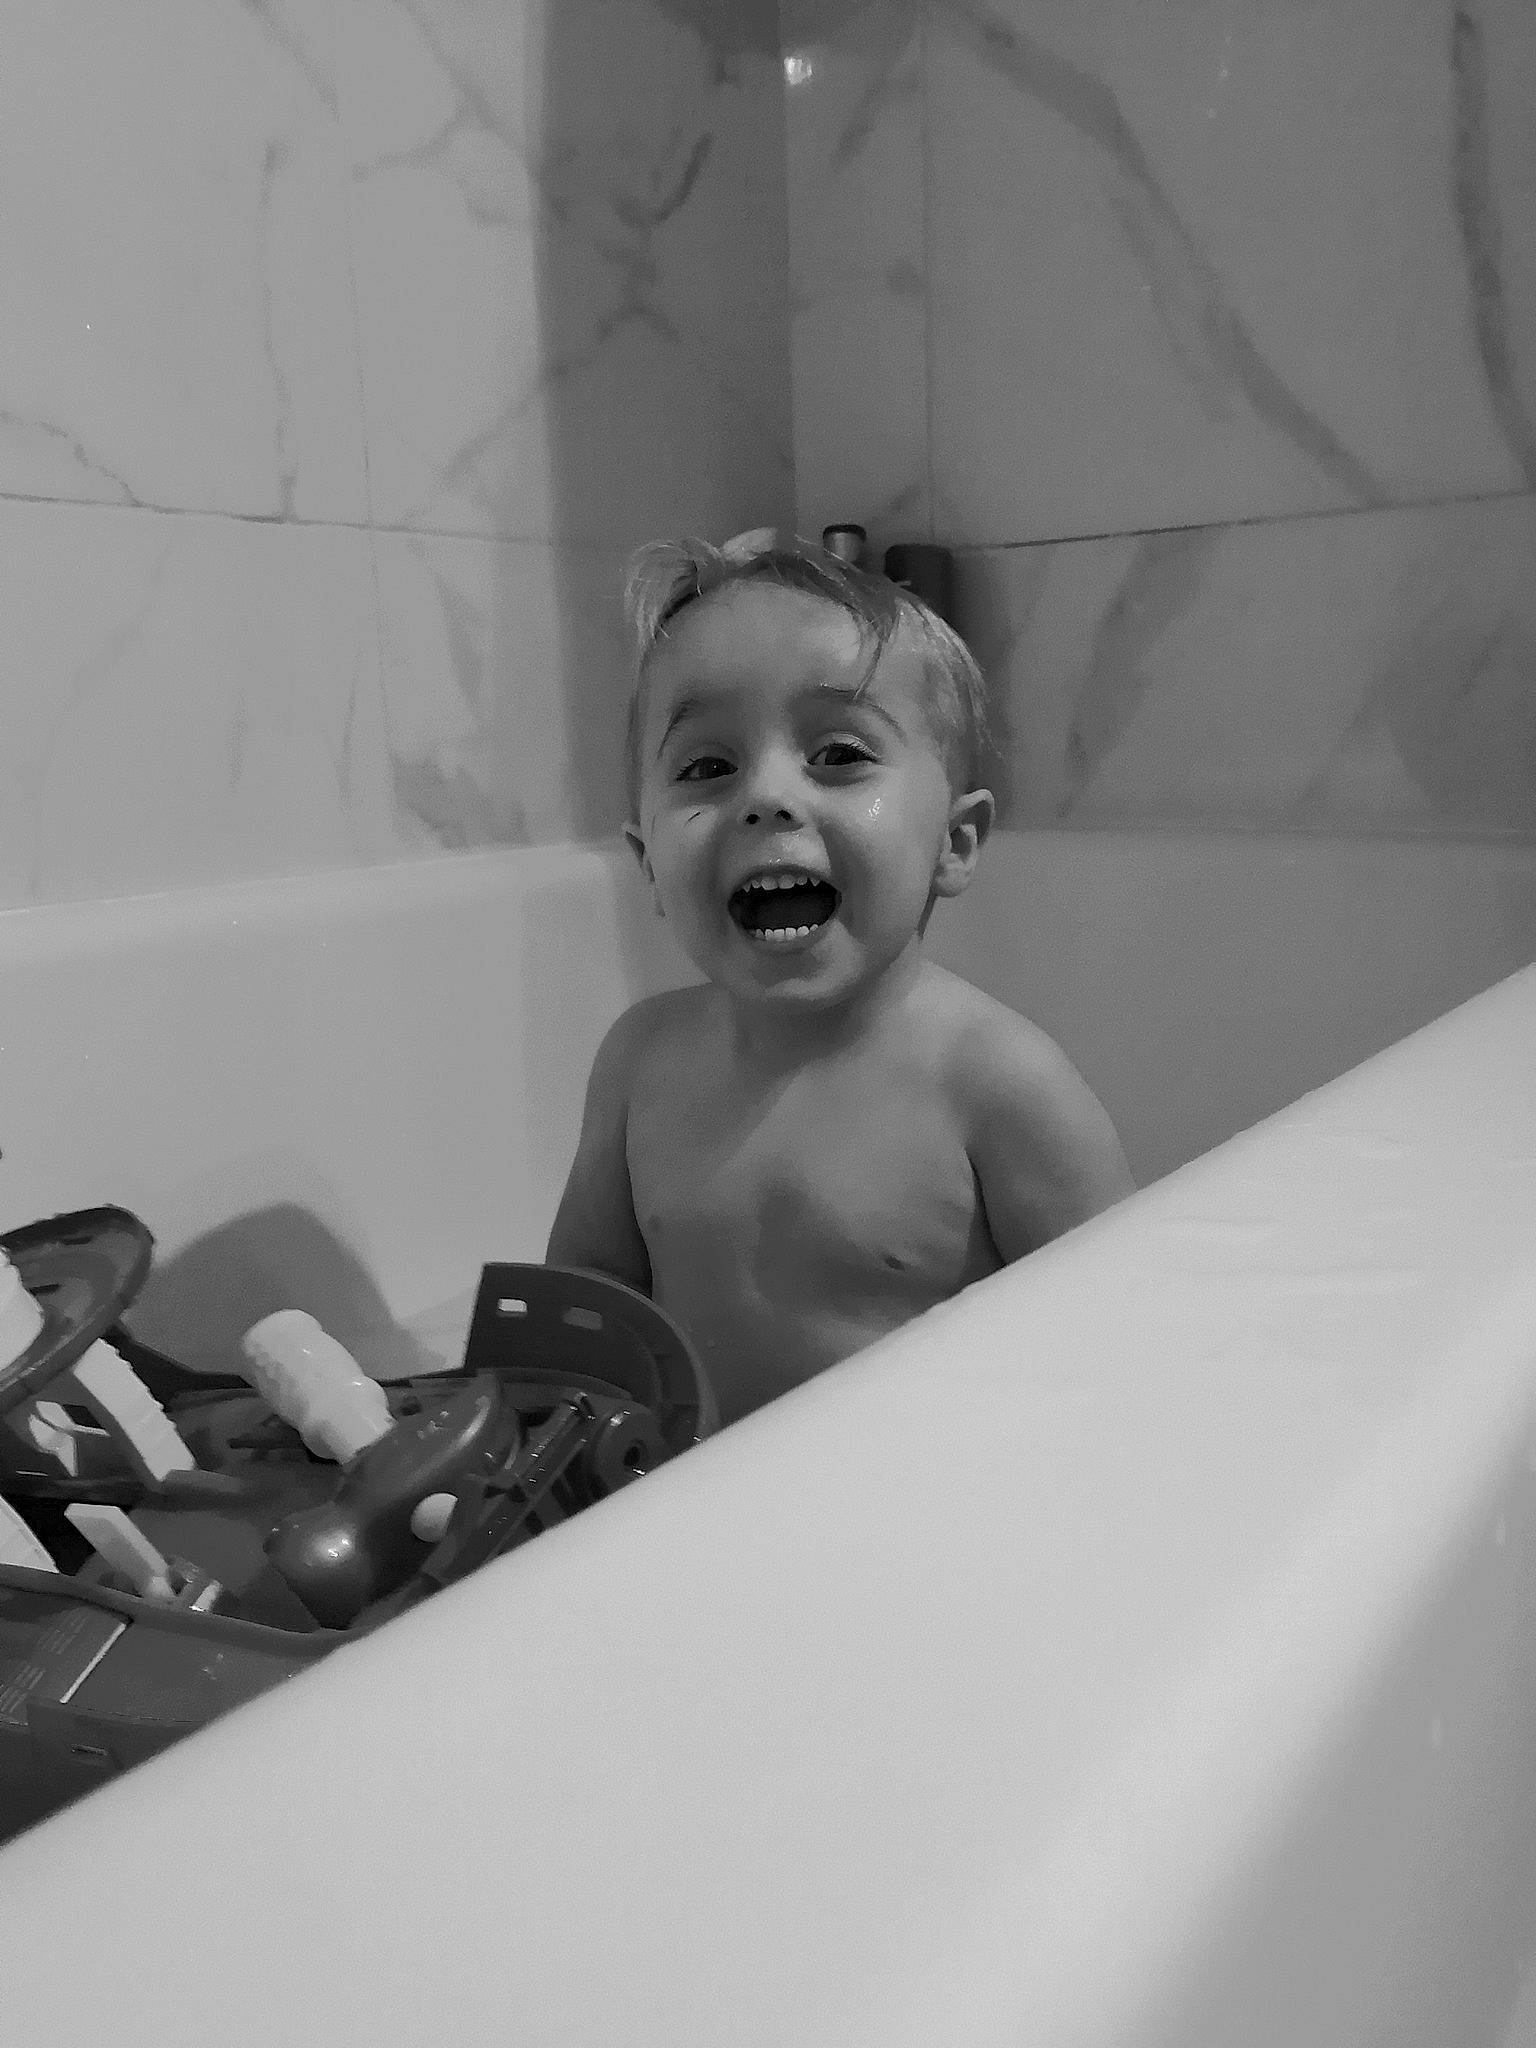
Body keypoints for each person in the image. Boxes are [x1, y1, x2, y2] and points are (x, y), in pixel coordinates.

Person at [546, 530, 1134, 1426]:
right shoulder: (639, 1063)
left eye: (839, 755)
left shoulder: (999, 1086)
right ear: (647, 864)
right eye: (707, 767)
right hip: (693, 1494)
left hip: (922, 1497)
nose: (766, 797)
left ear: (955, 842)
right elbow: (587, 1298)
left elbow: (1125, 1336)